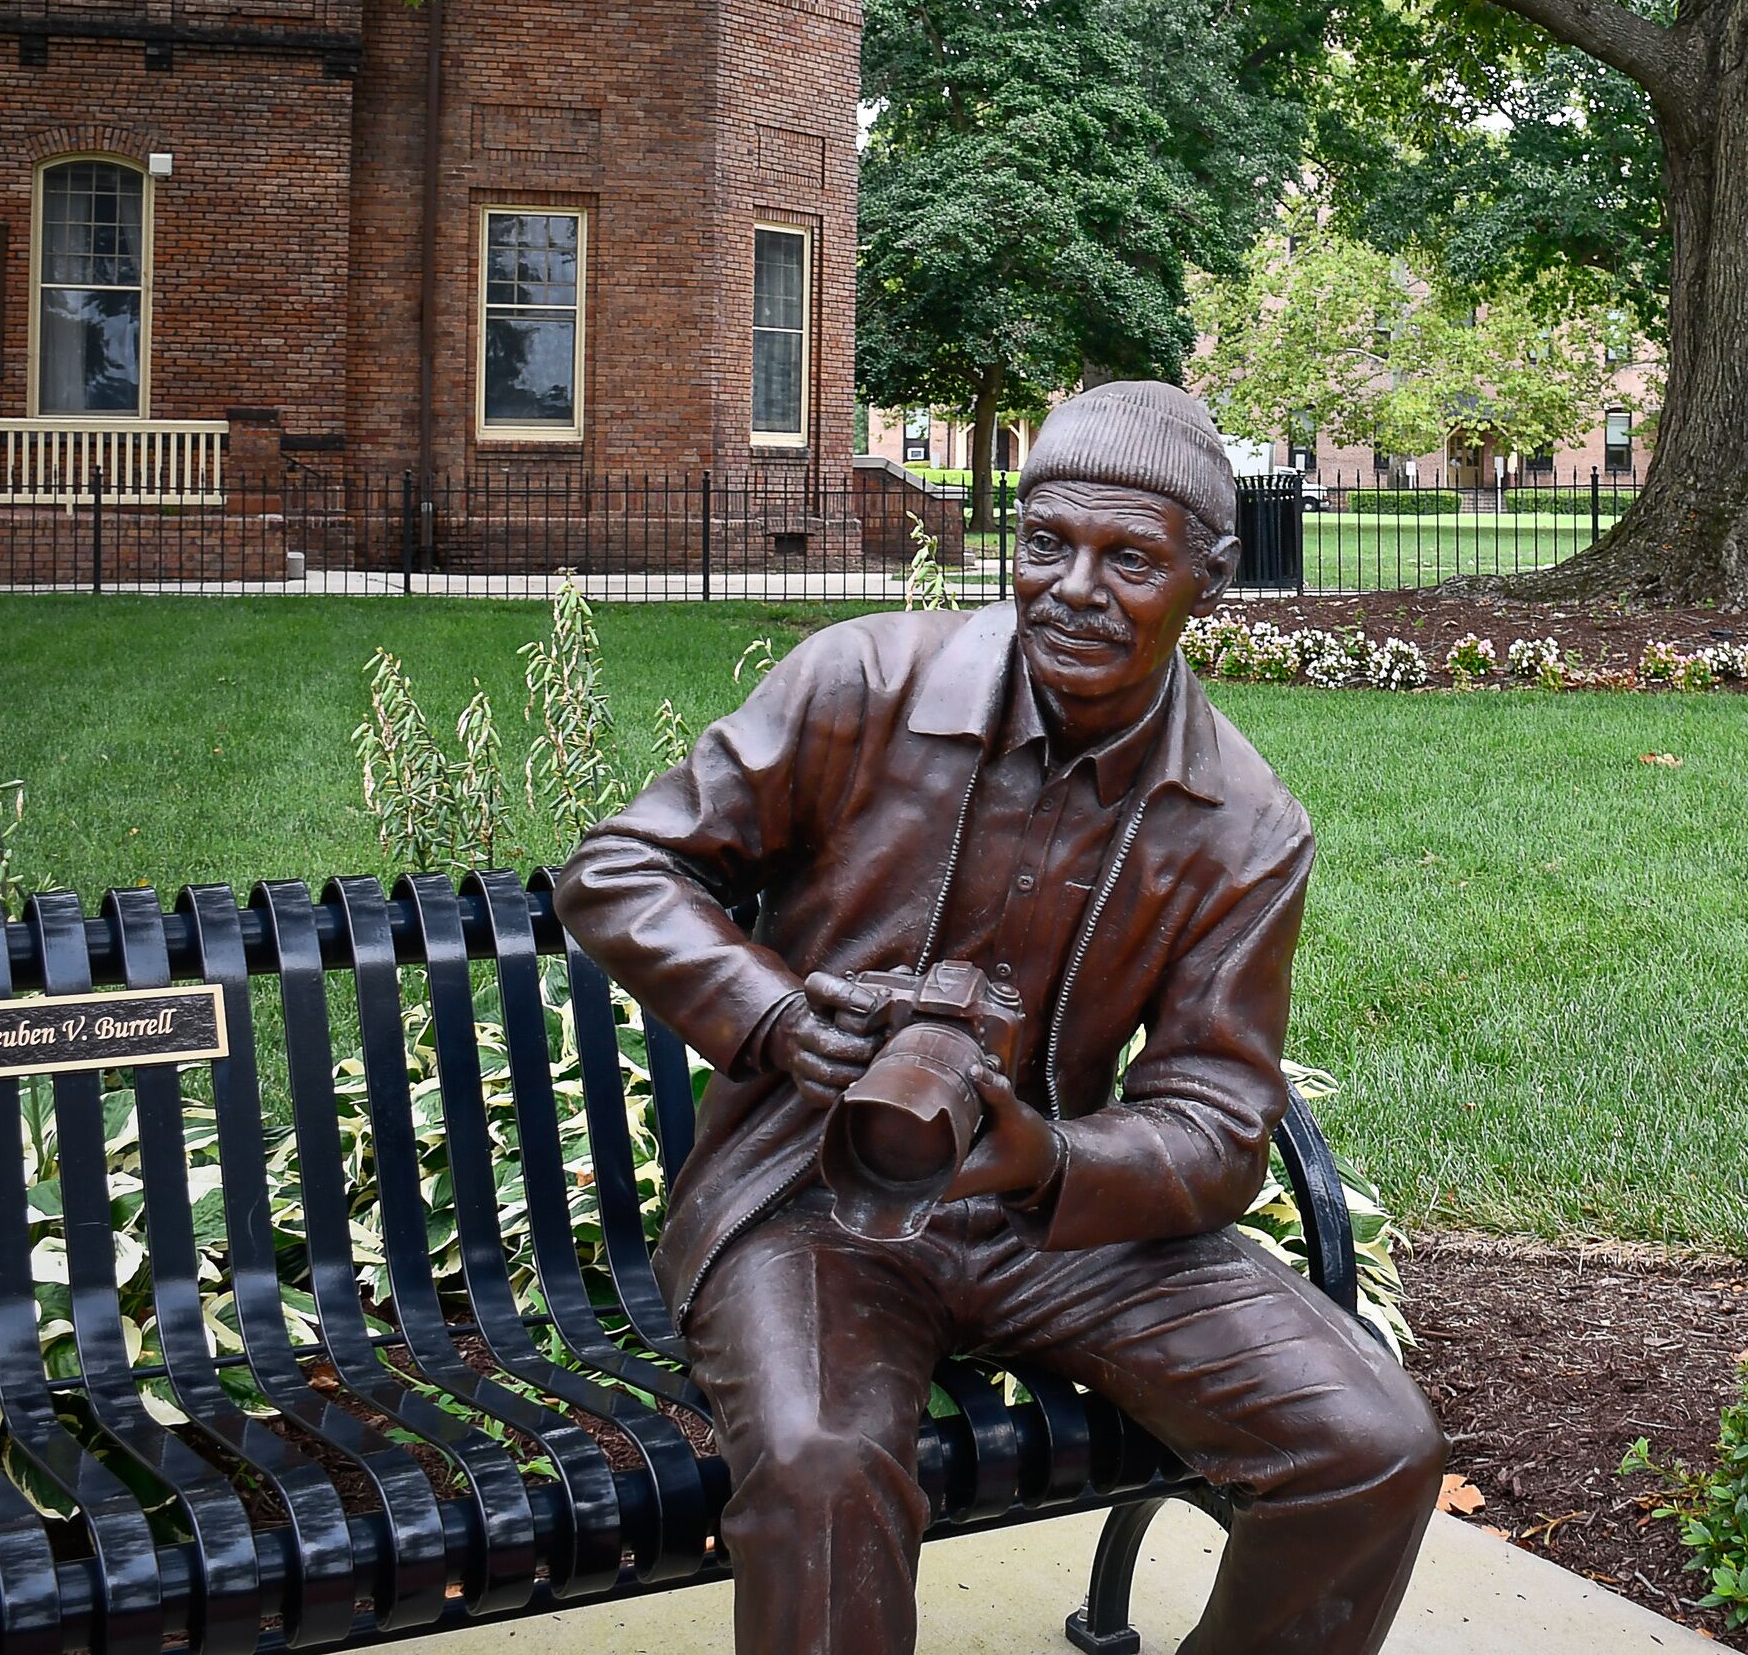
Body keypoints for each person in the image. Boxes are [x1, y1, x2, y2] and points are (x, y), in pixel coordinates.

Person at [557, 380, 1444, 1655]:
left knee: (1372, 1445)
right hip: (810, 1199)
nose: (1075, 587)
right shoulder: (861, 681)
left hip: (1058, 1215)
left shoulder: (1243, 828)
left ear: (1210, 578)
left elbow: (1216, 1120)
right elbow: (621, 871)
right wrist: (777, 1016)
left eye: (1129, 558)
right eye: (1046, 544)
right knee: (820, 1463)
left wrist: (1054, 1158)